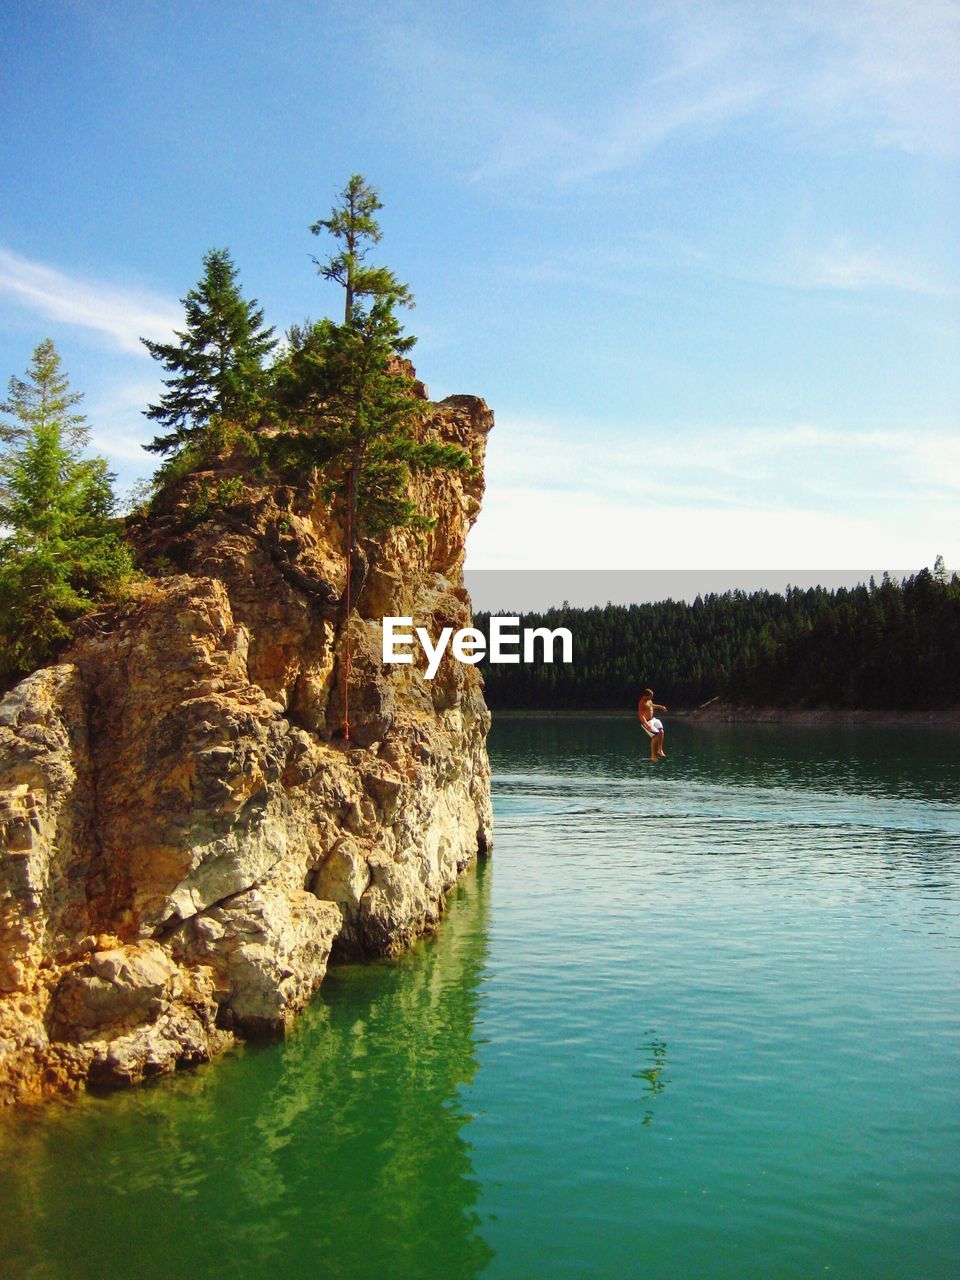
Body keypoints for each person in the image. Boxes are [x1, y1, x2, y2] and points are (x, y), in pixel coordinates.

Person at [638, 688, 668, 762]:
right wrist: (647, 725)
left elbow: (652, 705)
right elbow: (641, 716)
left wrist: (661, 707)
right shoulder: (642, 703)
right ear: (645, 696)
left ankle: (660, 750)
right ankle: (653, 756)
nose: (651, 698)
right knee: (656, 736)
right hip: (647, 722)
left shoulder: (649, 701)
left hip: (653, 719)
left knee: (661, 732)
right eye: (650, 696)